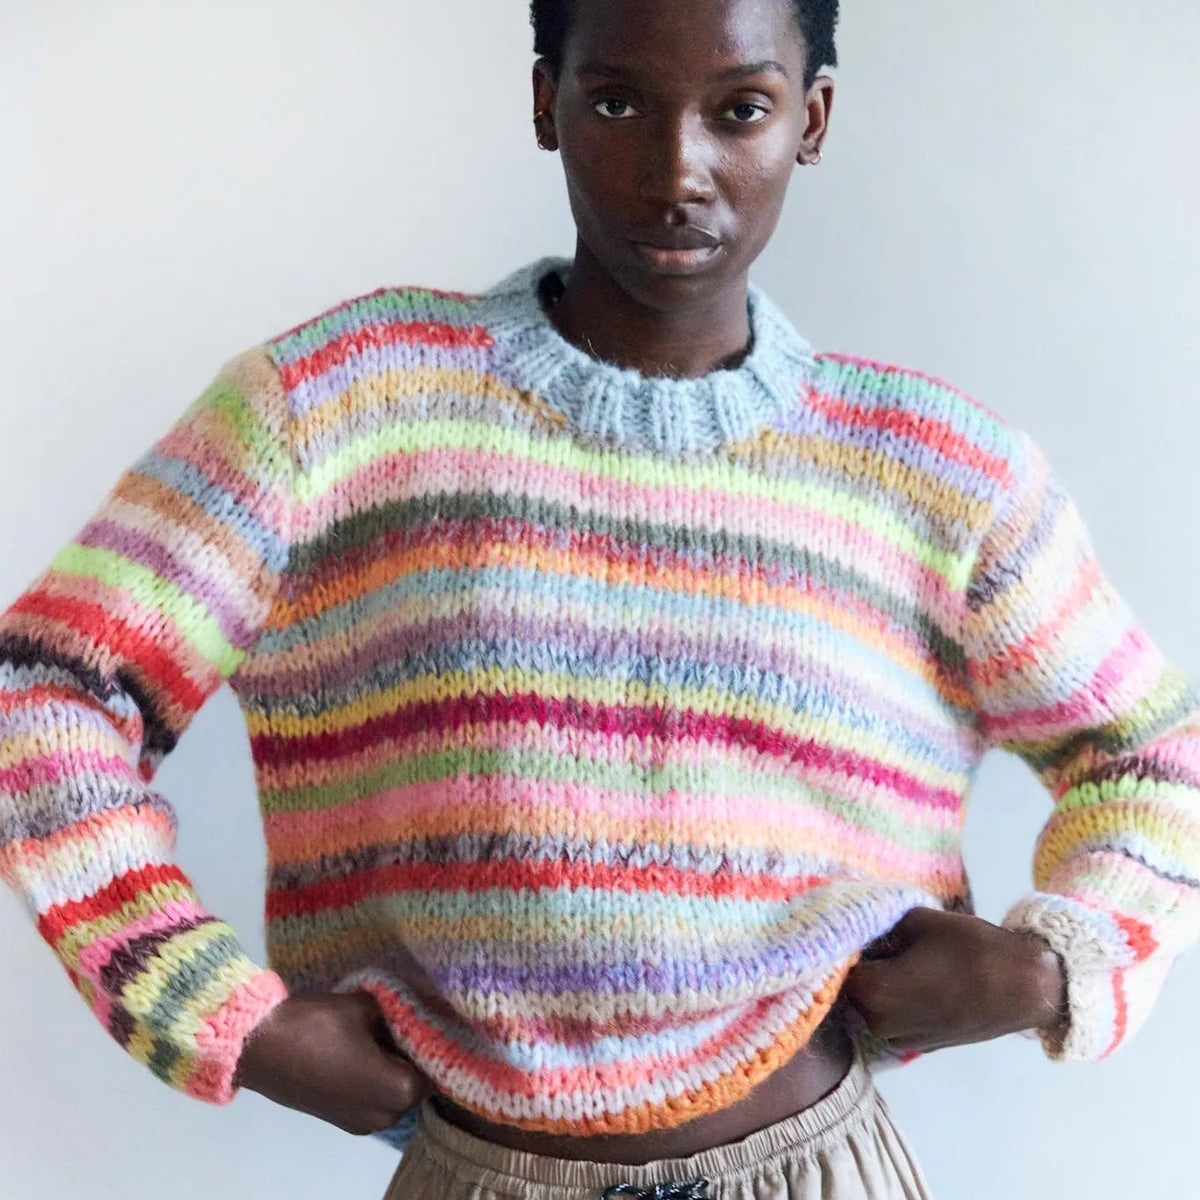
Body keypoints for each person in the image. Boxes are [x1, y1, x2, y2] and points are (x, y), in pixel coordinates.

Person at [1, 1, 1198, 1197]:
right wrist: (226, 1022)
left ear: (811, 120)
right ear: (545, 101)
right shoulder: (338, 412)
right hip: (480, 1173)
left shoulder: (944, 473)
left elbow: (1156, 764)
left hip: (822, 1168)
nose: (678, 170)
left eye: (741, 109)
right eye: (618, 101)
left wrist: (1056, 969)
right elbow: (45, 691)